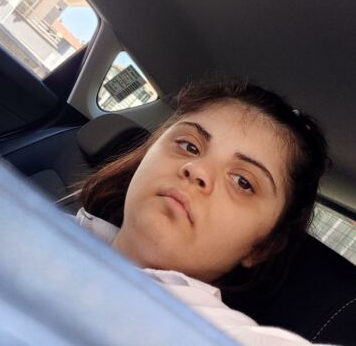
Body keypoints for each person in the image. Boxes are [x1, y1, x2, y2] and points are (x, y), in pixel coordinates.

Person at [75, 80, 333, 345]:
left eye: (243, 182)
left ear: (262, 247)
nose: (196, 169)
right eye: (190, 146)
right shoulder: (59, 225)